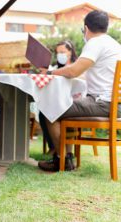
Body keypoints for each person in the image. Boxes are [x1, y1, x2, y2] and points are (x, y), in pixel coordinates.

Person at [38, 10, 121, 172]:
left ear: (86, 28)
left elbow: (73, 72)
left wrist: (48, 73)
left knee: (50, 109)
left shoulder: (96, 43)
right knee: (62, 107)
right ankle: (66, 158)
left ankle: (62, 159)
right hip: (113, 104)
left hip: (103, 103)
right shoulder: (114, 45)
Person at [39, 40, 78, 155]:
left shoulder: (77, 66)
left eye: (63, 51)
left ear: (70, 52)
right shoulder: (56, 67)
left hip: (74, 99)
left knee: (52, 112)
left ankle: (63, 153)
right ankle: (54, 147)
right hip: (58, 98)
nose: (60, 55)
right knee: (43, 112)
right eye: (58, 52)